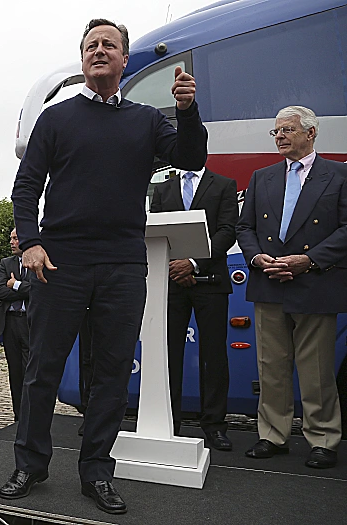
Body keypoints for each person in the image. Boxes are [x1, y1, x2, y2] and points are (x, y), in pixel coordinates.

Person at [0, 18, 207, 515]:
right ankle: (30, 464)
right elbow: (26, 186)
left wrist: (186, 109)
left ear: (122, 58)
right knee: (42, 370)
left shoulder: (146, 119)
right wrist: (29, 242)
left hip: (121, 263)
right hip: (59, 261)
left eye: (108, 45)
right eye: (90, 45)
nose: (98, 51)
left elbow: (191, 156)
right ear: (82, 58)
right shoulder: (55, 118)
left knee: (112, 373)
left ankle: (96, 471)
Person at [236, 105, 347, 469]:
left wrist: (308, 260)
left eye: (287, 130)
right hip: (269, 282)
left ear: (311, 133)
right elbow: (245, 228)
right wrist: (256, 258)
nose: (280, 136)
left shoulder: (339, 175)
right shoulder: (262, 177)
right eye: (276, 131)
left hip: (314, 282)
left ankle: (323, 439)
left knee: (316, 369)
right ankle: (272, 435)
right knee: (271, 367)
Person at [150, 166, 238, 450]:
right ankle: (169, 422)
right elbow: (157, 231)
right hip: (172, 282)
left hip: (211, 282)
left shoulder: (224, 184)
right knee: (169, 354)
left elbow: (227, 231)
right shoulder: (163, 189)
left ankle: (214, 426)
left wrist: (194, 263)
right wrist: (177, 267)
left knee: (213, 356)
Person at [0, 229, 31, 422]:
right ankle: (19, 415)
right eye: (11, 238)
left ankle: (31, 413)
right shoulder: (6, 263)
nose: (11, 242)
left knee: (30, 371)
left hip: (30, 323)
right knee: (15, 371)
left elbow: (38, 290)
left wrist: (15, 285)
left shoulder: (35, 261)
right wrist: (24, 289)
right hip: (10, 323)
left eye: (15, 238)